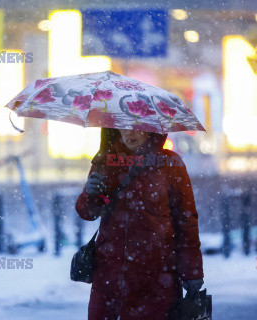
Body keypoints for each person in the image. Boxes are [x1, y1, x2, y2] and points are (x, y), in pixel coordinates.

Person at [76, 128, 204, 320]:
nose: (129, 133)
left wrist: (192, 272)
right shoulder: (106, 161)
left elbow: (186, 222)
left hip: (156, 279)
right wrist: (90, 194)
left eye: (137, 125)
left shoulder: (170, 163)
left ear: (151, 128)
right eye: (123, 126)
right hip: (109, 277)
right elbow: (88, 212)